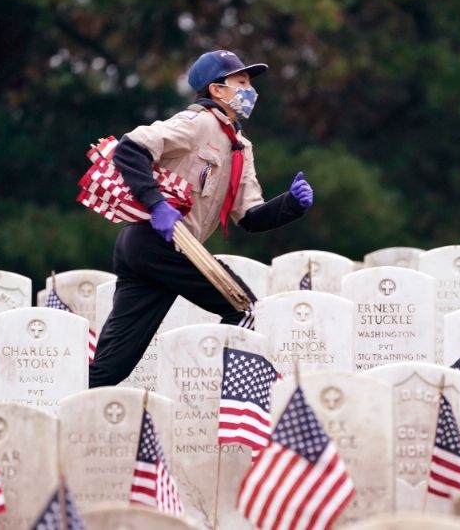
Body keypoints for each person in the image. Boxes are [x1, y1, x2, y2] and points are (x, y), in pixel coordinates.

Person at [89, 50, 313, 388]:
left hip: (149, 251)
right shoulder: (198, 122)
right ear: (216, 90)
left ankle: (60, 413)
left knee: (113, 364)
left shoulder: (240, 145)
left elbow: (249, 216)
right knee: (245, 310)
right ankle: (242, 398)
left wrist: (291, 204)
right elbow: (130, 147)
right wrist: (156, 203)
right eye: (241, 82)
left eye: (249, 82)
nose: (250, 90)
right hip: (160, 240)